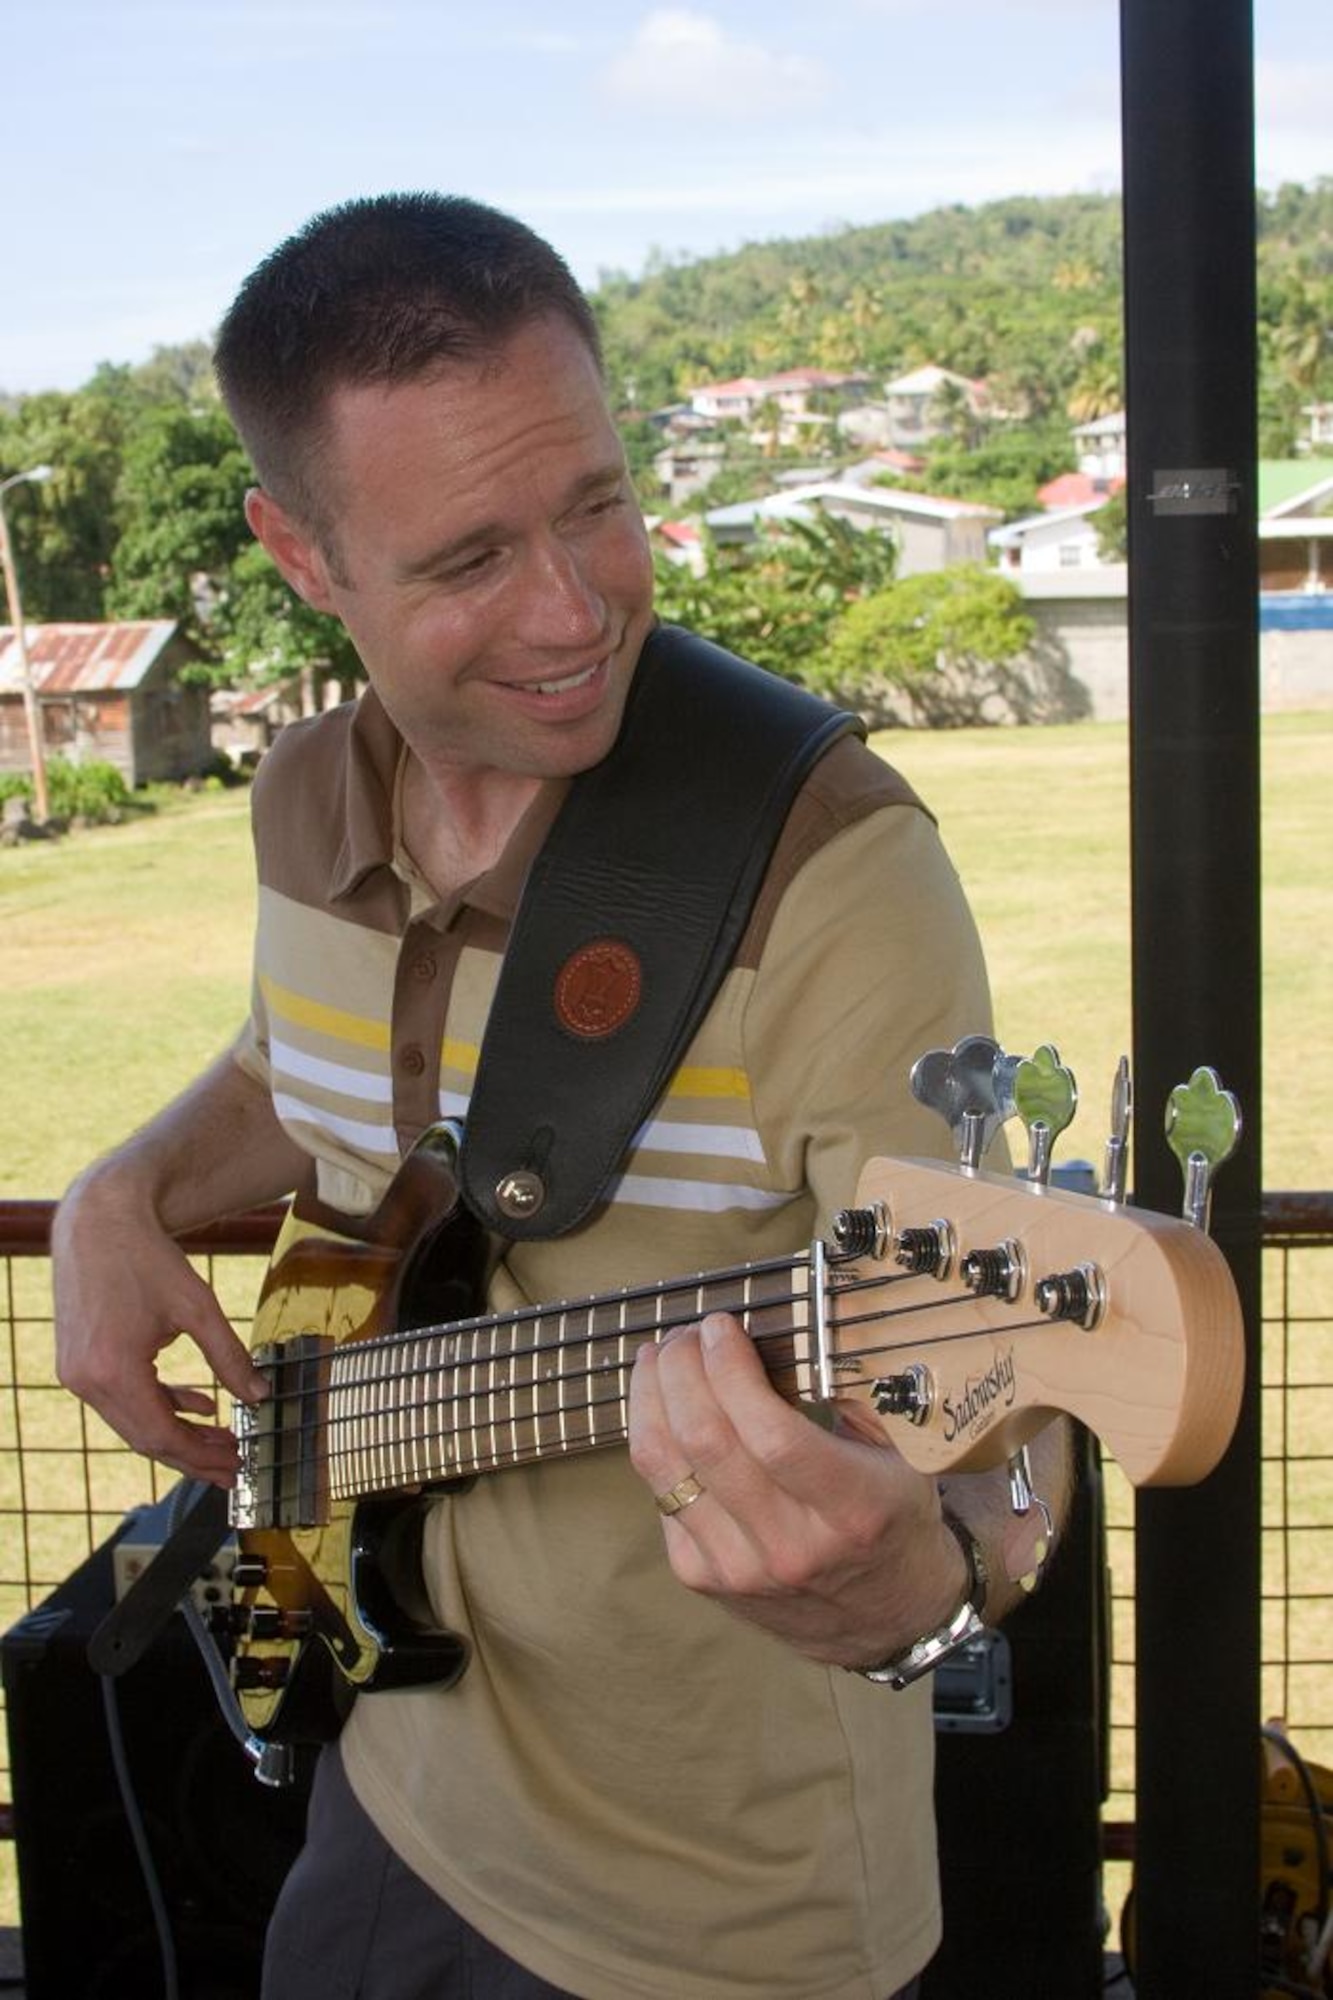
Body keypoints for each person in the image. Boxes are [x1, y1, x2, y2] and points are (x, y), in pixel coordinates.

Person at [52, 193, 1069, 2000]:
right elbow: (312, 1070)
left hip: (725, 1909)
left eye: (596, 504)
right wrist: (119, 1197)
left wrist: (935, 1586)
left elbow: (1005, 1371)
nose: (572, 606)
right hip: (397, 1768)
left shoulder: (827, 867)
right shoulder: (303, 803)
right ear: (304, 557)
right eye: (464, 562)